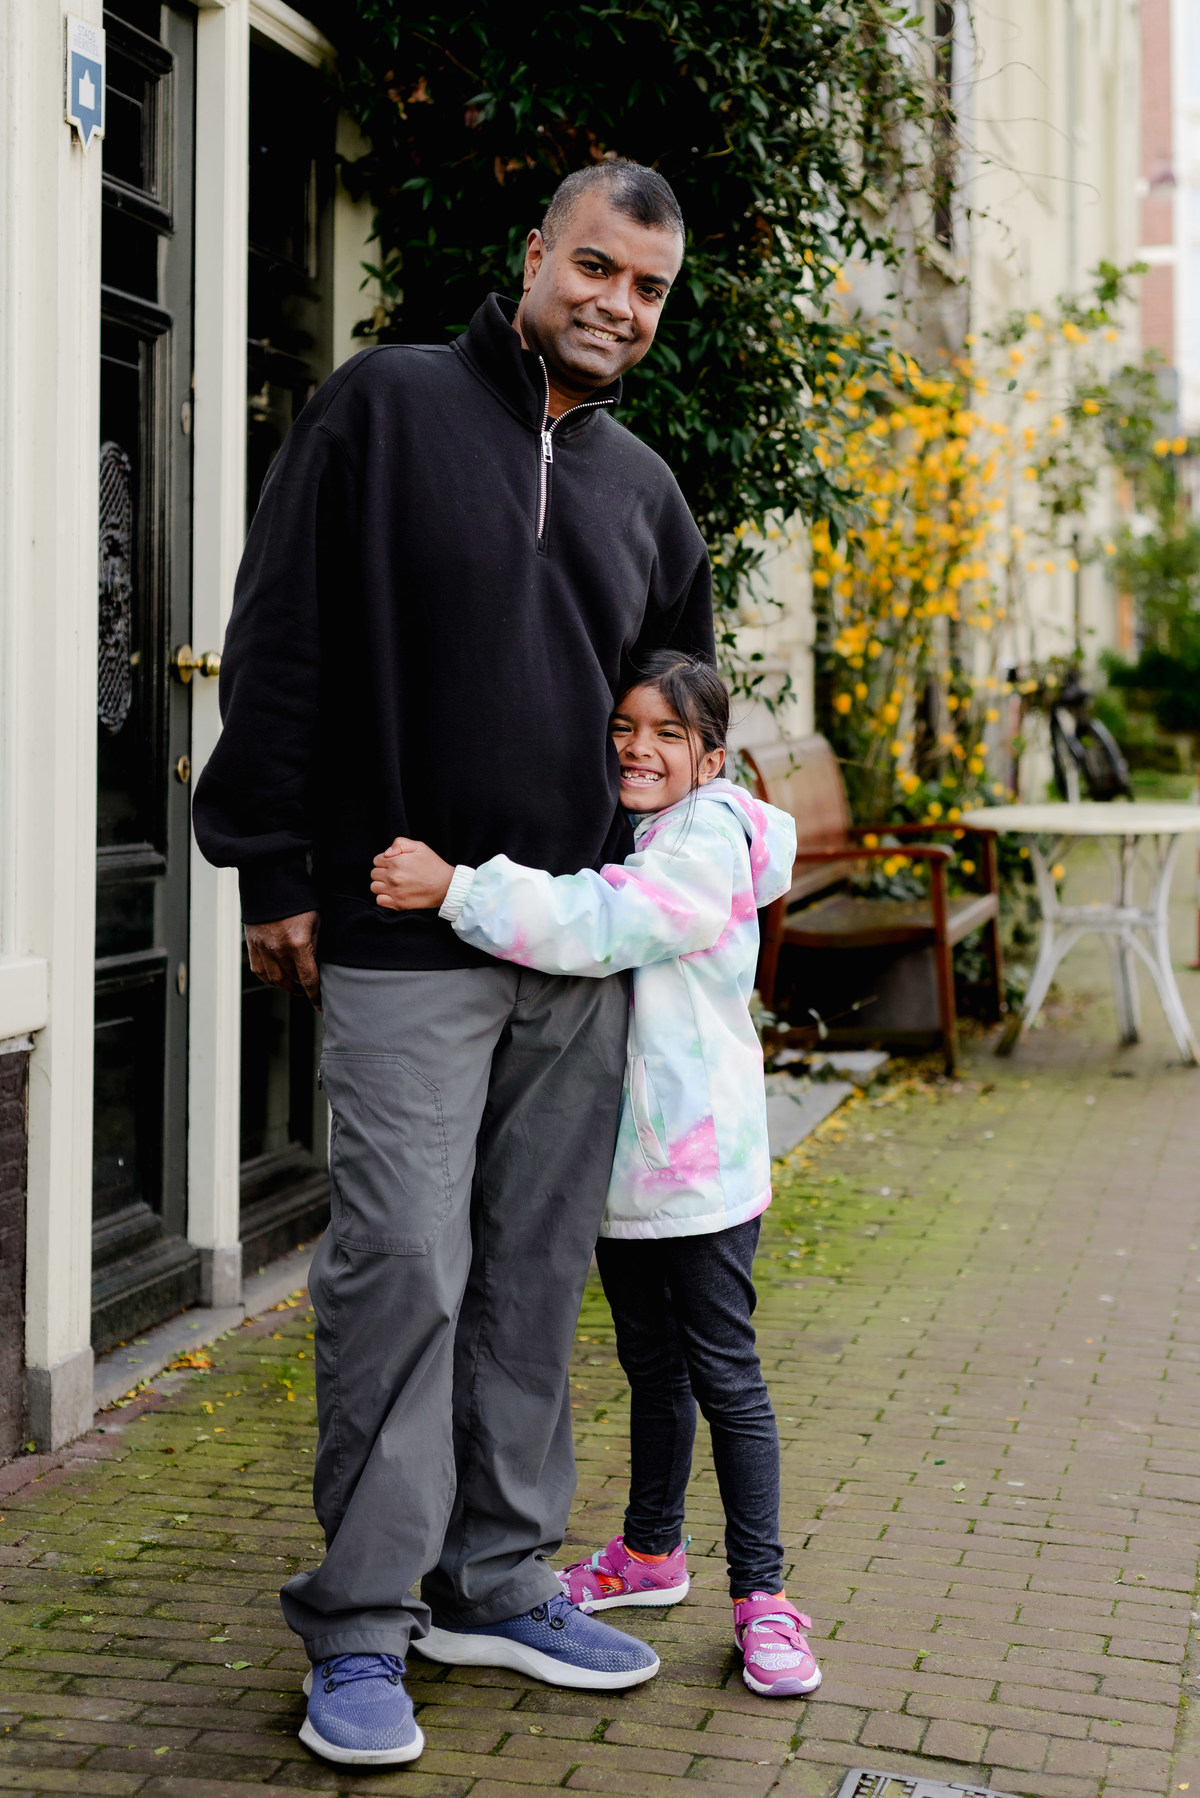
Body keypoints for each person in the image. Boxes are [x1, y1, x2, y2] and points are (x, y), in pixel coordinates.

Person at [193, 161, 714, 1767]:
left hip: (574, 951)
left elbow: (682, 723)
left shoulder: (648, 493)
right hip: (403, 934)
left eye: (647, 288)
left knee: (532, 1277)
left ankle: (495, 1575)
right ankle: (360, 1625)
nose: (617, 304)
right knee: (403, 1267)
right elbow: (279, 631)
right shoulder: (385, 409)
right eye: (598, 268)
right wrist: (276, 865)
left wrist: (673, 892)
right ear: (537, 256)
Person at [371, 651, 822, 1702]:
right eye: (625, 725)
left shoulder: (704, 839)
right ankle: (651, 1553)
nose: (639, 747)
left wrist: (458, 888)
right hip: (629, 1166)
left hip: (698, 1164)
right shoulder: (652, 827)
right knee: (653, 1370)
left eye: (668, 733)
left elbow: (609, 923)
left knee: (726, 1377)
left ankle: (763, 1596)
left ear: (711, 757)